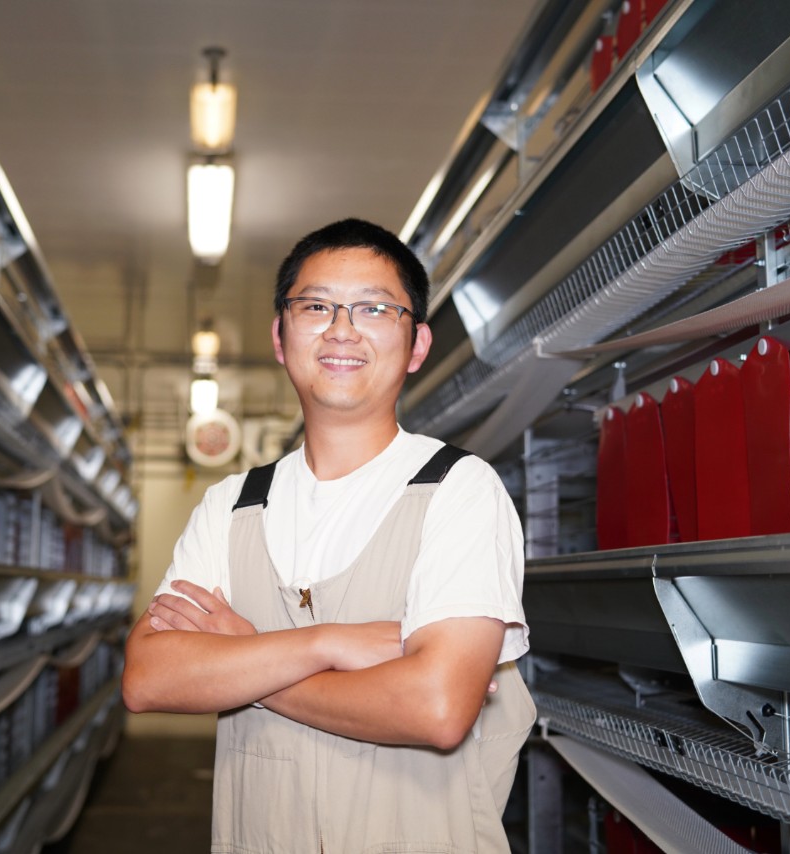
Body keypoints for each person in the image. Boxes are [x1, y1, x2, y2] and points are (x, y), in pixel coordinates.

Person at [123, 218, 535, 853]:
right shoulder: (231, 505)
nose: (342, 329)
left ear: (417, 343)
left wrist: (250, 657)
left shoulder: (458, 490)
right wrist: (330, 644)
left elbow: (437, 707)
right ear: (282, 337)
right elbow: (150, 677)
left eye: (373, 308)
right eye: (315, 306)